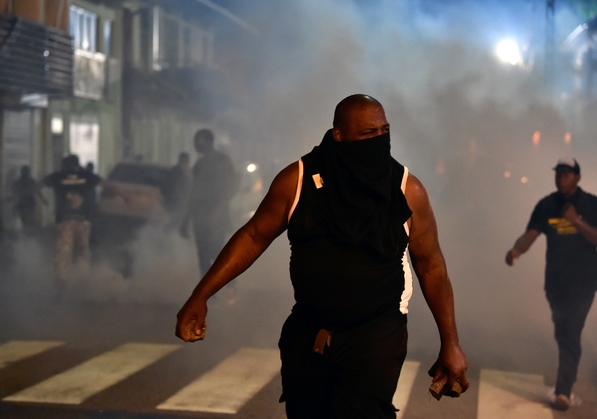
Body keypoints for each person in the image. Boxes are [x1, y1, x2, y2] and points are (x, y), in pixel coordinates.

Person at [175, 95, 469, 418]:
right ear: (339, 135)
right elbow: (253, 236)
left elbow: (431, 265)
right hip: (308, 333)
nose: (379, 140)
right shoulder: (297, 180)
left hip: (376, 335)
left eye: (384, 131)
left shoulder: (407, 190)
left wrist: (451, 343)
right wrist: (200, 295)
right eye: (369, 134)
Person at [505, 157, 597, 411]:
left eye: (566, 173)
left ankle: (564, 389)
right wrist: (516, 251)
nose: (561, 178)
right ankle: (567, 376)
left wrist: (577, 222)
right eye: (558, 173)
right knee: (563, 330)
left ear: (577, 177)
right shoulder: (547, 205)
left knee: (571, 331)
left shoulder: (591, 204)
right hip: (556, 282)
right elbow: (531, 234)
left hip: (583, 282)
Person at [39, 155, 127, 295]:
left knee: (63, 255)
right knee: (83, 252)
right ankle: (84, 285)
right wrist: (125, 196)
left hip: (65, 222)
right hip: (83, 221)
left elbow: (39, 184)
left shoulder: (58, 176)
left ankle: (60, 289)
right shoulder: (86, 175)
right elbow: (107, 185)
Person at [180, 129, 238, 276]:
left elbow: (232, 187)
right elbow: (194, 194)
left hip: (217, 216)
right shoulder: (199, 164)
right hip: (199, 216)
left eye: (197, 140)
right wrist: (186, 220)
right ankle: (209, 294)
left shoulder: (222, 160)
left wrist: (219, 210)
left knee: (217, 253)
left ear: (208, 141)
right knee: (203, 256)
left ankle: (230, 284)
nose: (195, 144)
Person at [162, 152, 193, 231]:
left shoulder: (189, 172)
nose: (185, 164)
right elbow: (169, 189)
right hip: (175, 204)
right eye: (184, 162)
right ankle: (166, 235)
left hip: (184, 205)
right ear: (180, 162)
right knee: (176, 222)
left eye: (186, 162)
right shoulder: (174, 173)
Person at [11, 165, 46, 229]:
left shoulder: (24, 181)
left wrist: (43, 199)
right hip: (24, 203)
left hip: (28, 202)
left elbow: (37, 191)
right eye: (26, 172)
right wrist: (43, 200)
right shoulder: (27, 181)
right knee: (25, 220)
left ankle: (28, 233)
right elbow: (15, 194)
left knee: (28, 219)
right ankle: (27, 233)